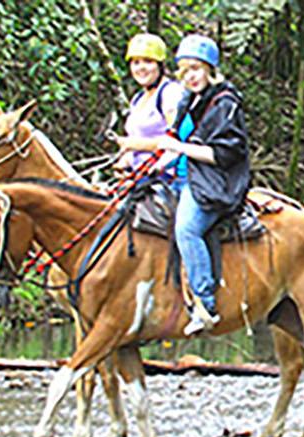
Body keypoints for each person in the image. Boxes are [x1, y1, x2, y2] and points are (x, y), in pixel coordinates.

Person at [123, 34, 250, 335]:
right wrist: (151, 168)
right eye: (185, 70)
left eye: (196, 69)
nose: (190, 76)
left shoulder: (224, 103)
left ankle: (205, 304)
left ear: (210, 69)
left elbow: (223, 155)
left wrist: (179, 149)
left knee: (187, 229)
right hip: (184, 177)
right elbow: (173, 143)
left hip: (213, 182)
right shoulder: (188, 100)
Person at [115, 33, 187, 174]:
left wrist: (135, 144)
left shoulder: (170, 93)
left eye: (148, 61)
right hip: (139, 174)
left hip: (163, 174)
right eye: (136, 63)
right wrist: (125, 161)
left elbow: (178, 140)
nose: (141, 68)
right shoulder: (138, 98)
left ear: (160, 65)